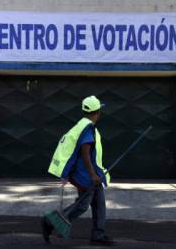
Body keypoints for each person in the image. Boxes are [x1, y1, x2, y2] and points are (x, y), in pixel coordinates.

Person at [42, 95, 115, 246]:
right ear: (97, 112)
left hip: (90, 173)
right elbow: (85, 152)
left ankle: (98, 234)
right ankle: (50, 222)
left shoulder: (81, 125)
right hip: (86, 174)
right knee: (83, 204)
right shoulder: (88, 128)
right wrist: (93, 175)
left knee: (99, 203)